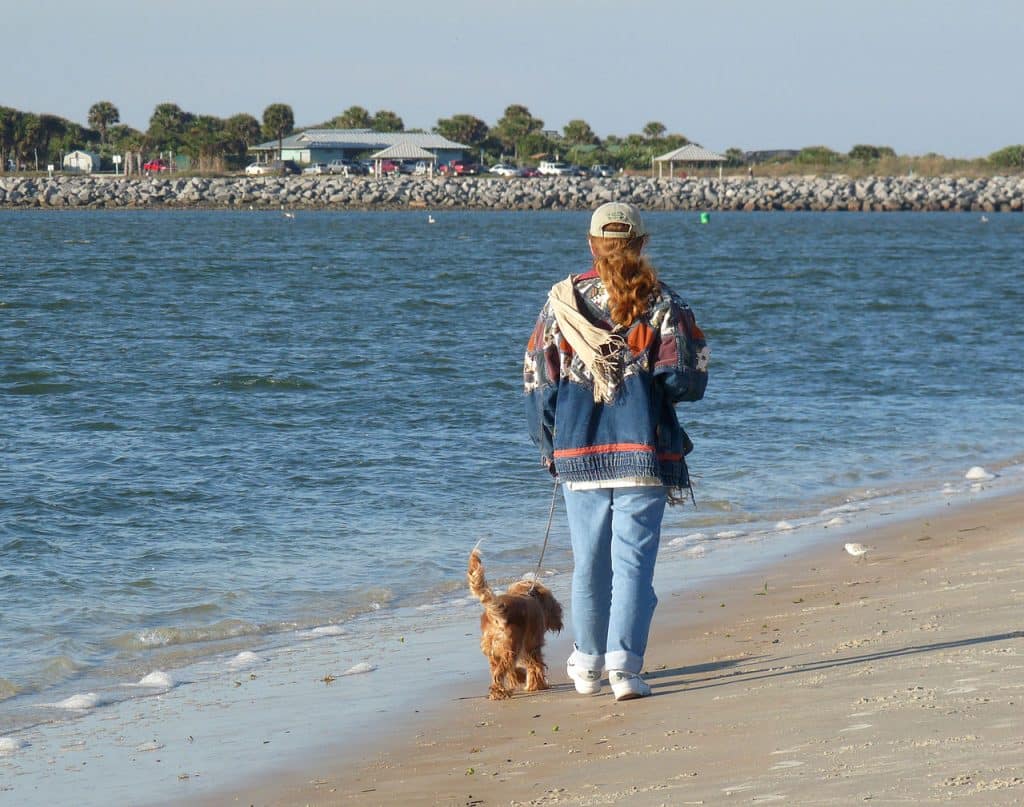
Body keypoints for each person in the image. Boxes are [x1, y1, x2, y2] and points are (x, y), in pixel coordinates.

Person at [523, 202, 709, 701]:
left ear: (591, 244)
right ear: (642, 244)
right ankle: (625, 669)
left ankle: (586, 663)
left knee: (589, 564)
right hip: (642, 451)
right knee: (633, 565)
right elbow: (687, 381)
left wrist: (549, 447)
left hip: (578, 450)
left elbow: (540, 382)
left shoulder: (560, 303)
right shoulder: (665, 303)